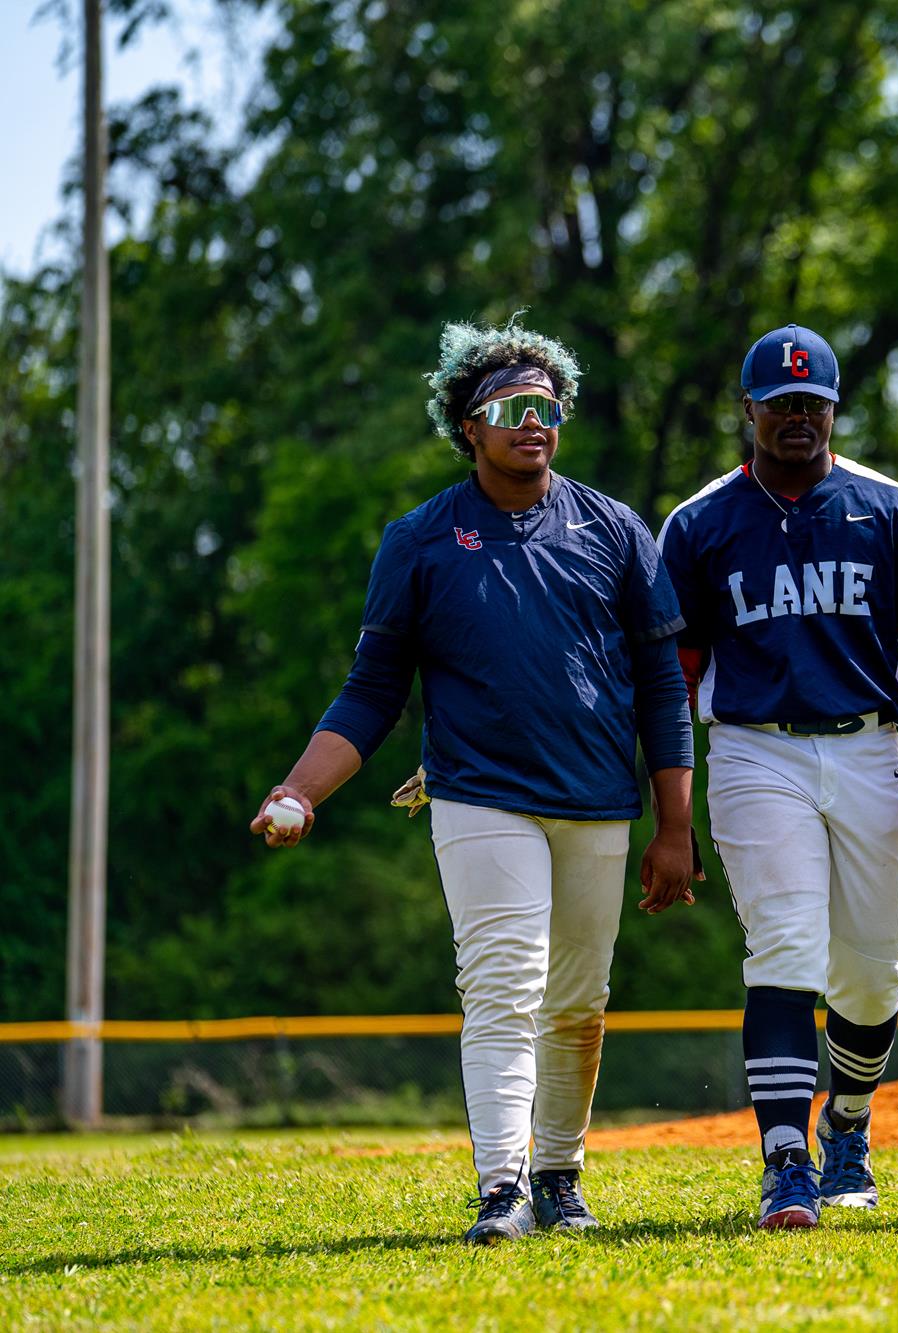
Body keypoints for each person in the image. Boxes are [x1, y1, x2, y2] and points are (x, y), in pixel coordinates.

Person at [249, 320, 697, 1245]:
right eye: (514, 406)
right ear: (469, 425)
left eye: (549, 407)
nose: (535, 422)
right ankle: (503, 1187)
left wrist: (674, 824)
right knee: (502, 985)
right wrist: (298, 789)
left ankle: (561, 1176)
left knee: (578, 1002)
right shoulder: (418, 541)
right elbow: (372, 692)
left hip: (598, 799)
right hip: (478, 792)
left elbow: (663, 686)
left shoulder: (616, 529)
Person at [658, 324, 898, 1231]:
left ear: (834, 408)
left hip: (869, 747)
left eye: (813, 402)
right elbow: (674, 673)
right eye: (780, 402)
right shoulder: (701, 522)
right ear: (748, 409)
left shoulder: (887, 506)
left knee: (872, 977)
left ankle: (849, 1124)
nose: (798, 415)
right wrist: (671, 812)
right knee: (786, 948)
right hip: (755, 749)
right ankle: (787, 1162)